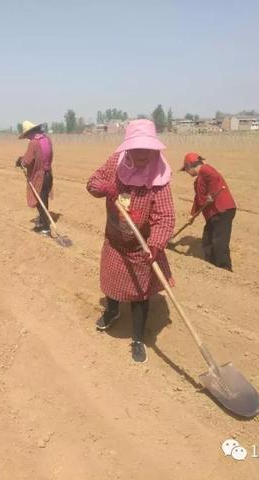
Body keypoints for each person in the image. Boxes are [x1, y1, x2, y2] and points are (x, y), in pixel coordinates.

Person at [87, 120, 175, 363]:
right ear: (128, 148)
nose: (142, 155)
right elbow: (91, 183)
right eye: (137, 149)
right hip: (115, 241)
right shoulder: (115, 163)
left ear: (154, 149)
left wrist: (156, 244)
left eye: (147, 149)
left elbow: (165, 216)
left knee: (140, 295)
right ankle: (112, 312)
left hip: (141, 247)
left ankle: (137, 338)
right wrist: (105, 187)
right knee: (111, 285)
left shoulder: (159, 175)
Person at [180, 152, 236, 271]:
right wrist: (192, 216)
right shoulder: (198, 181)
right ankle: (211, 265)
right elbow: (198, 200)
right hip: (213, 214)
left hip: (222, 210)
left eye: (186, 169)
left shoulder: (205, 170)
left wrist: (211, 193)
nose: (187, 172)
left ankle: (224, 267)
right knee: (207, 239)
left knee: (219, 240)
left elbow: (214, 178)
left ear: (190, 166)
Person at [15, 120, 53, 234]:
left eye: (27, 135)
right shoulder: (47, 139)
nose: (27, 138)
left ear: (30, 132)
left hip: (39, 176)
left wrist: (20, 161)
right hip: (48, 174)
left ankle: (45, 227)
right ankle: (42, 220)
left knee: (40, 201)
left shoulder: (34, 143)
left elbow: (28, 161)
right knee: (44, 199)